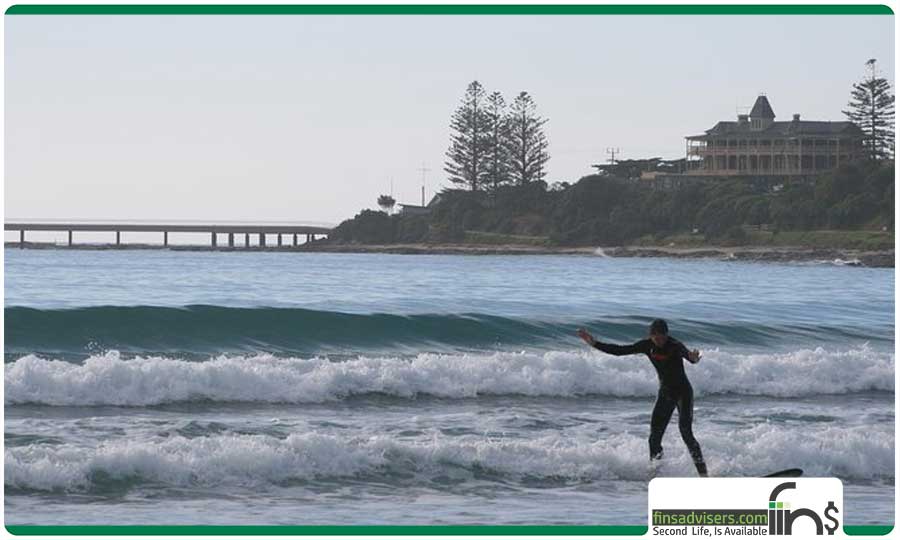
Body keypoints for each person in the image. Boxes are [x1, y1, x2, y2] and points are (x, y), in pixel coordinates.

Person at [576, 319, 708, 477]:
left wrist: (694, 357)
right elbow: (619, 350)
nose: (659, 340)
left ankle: (704, 476)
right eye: (656, 337)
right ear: (651, 336)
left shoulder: (674, 345)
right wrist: (594, 343)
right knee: (654, 438)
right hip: (666, 393)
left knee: (686, 433)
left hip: (683, 393)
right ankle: (656, 474)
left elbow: (689, 357)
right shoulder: (646, 345)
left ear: (667, 335)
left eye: (662, 337)